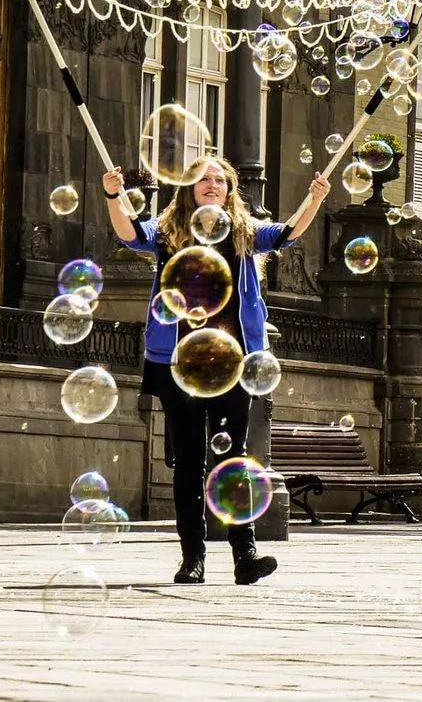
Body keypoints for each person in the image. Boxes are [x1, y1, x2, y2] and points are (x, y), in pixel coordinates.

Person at [103, 157, 330, 586]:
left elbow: (287, 233)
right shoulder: (169, 231)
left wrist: (313, 199)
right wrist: (114, 194)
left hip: (233, 361)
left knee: (233, 457)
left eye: (220, 180)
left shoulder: (243, 233)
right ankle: (193, 558)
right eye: (203, 179)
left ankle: (245, 555)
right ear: (189, 188)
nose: (212, 185)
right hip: (179, 360)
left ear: (230, 189)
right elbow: (130, 233)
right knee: (189, 460)